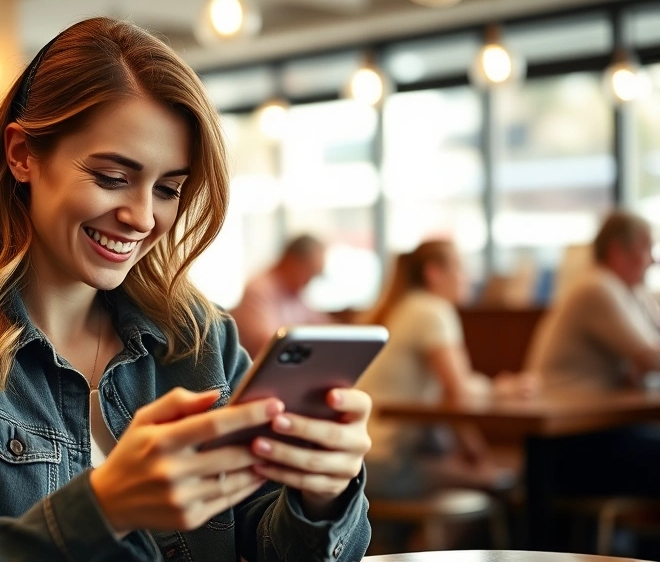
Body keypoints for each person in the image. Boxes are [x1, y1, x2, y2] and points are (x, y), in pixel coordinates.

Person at [0, 18, 373, 562]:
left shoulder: (199, 338)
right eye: (111, 178)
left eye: (169, 188)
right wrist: (106, 508)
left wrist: (323, 492)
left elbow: (270, 544)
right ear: (23, 154)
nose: (142, 217)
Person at [355, 240, 535, 499]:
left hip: (363, 457)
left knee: (489, 474)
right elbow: (457, 392)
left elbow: (450, 389)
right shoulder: (432, 311)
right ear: (434, 272)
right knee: (499, 481)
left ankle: (417, 538)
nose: (469, 278)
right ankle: (427, 541)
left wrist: (495, 391)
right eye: (461, 268)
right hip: (388, 463)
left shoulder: (404, 307)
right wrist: (480, 453)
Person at [524, 210, 660, 392]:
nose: (653, 260)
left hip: (600, 409)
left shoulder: (632, 291)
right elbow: (651, 359)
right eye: (646, 248)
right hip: (569, 412)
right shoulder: (597, 287)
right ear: (617, 251)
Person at [230, 234, 331, 357]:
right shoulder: (259, 291)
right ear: (291, 261)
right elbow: (268, 345)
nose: (310, 280)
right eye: (311, 271)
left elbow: (325, 327)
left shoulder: (296, 294)